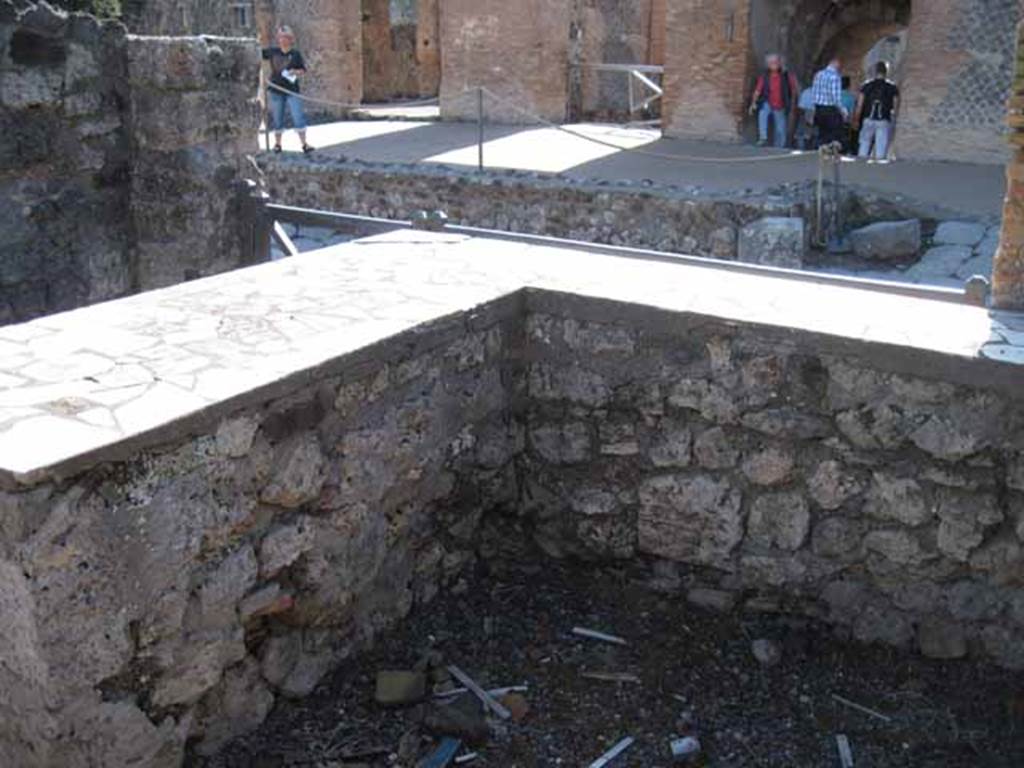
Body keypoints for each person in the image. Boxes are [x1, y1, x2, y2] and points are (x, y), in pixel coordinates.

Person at [261, 26, 313, 154]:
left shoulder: (295, 54)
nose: (282, 40)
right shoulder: (273, 52)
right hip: (276, 90)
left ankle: (304, 144)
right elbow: (258, 53)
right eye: (280, 37)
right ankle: (277, 145)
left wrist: (294, 71)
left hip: (292, 90)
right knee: (277, 118)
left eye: (285, 37)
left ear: (290, 39)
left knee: (298, 116)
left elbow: (303, 70)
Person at [748, 54, 800, 148]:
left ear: (779, 63)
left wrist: (793, 106)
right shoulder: (764, 76)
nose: (773, 64)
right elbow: (757, 91)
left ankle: (780, 147)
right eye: (771, 63)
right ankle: (763, 138)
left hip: (780, 104)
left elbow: (793, 90)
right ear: (768, 65)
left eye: (775, 62)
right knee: (762, 113)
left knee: (780, 128)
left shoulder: (786, 76)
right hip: (768, 102)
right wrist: (753, 103)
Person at [854, 61, 900, 162]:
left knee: (864, 144)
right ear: (886, 72)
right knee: (881, 148)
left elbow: (859, 105)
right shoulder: (892, 87)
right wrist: (894, 120)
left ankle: (860, 167)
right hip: (883, 119)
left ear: (875, 71)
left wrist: (856, 120)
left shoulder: (866, 85)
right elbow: (895, 106)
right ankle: (878, 169)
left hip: (868, 118)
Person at [810, 56, 848, 149]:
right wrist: (843, 110)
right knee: (834, 135)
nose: (840, 66)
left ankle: (821, 152)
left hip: (819, 108)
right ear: (835, 62)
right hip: (830, 109)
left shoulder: (818, 74)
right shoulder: (835, 76)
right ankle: (832, 154)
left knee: (822, 133)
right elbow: (836, 97)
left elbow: (814, 92)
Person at [795, 85, 816, 150]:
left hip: (808, 112)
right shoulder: (822, 91)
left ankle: (802, 148)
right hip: (815, 113)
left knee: (801, 133)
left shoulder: (806, 92)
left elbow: (801, 107)